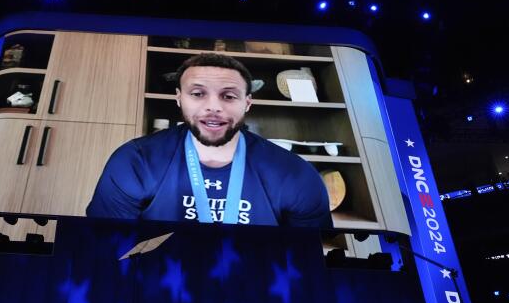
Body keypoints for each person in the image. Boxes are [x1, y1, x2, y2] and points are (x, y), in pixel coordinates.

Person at [87, 53, 332, 227]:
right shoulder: (134, 161)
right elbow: (107, 248)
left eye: (228, 96)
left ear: (247, 103)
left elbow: (304, 265)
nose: (213, 107)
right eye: (197, 94)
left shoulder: (295, 173)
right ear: (179, 98)